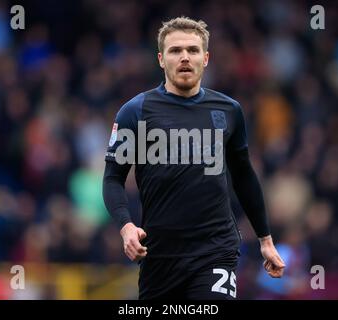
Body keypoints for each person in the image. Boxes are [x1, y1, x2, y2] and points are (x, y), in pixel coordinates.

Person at [103, 16, 285, 300]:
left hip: (216, 250)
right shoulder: (135, 111)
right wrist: (126, 227)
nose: (185, 57)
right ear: (161, 59)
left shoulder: (229, 111)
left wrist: (266, 240)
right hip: (159, 256)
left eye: (193, 50)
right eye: (176, 51)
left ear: (206, 58)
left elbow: (244, 175)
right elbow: (113, 178)